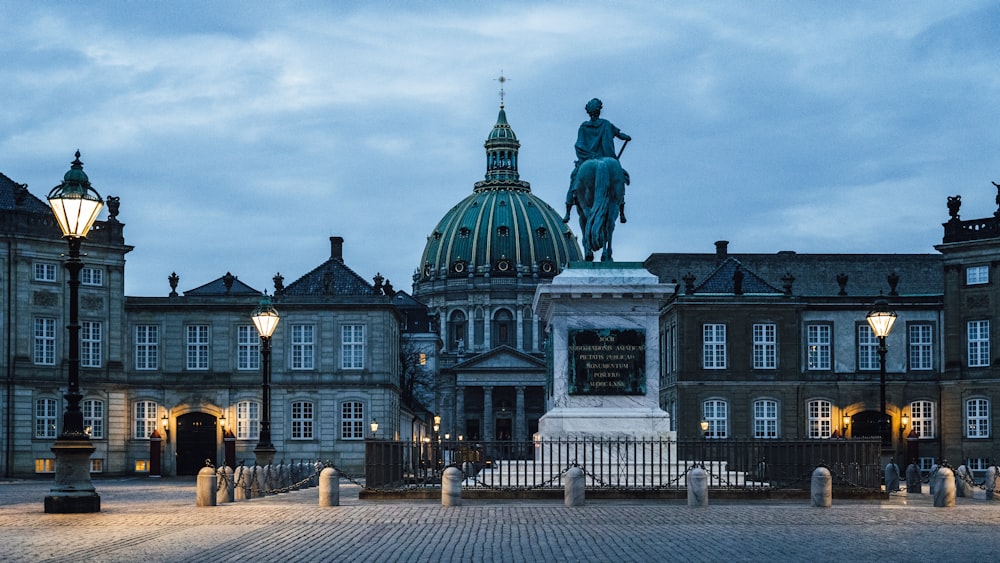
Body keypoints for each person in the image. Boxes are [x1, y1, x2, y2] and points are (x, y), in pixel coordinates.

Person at [564, 98, 631, 223]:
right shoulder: (606, 124)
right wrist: (627, 137)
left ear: (589, 112)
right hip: (606, 157)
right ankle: (621, 209)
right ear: (598, 111)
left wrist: (589, 155)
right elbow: (620, 134)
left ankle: (568, 210)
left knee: (574, 180)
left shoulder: (584, 127)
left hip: (588, 158)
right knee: (619, 178)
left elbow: (579, 145)